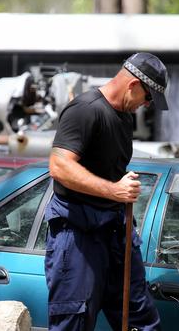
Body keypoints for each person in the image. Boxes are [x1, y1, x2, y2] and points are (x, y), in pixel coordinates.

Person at [44, 52, 169, 331]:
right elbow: (59, 166)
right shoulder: (86, 110)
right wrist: (115, 190)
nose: (146, 105)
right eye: (148, 98)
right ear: (133, 85)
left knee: (140, 318)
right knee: (74, 322)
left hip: (116, 231)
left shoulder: (123, 117)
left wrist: (121, 184)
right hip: (78, 237)